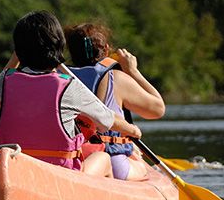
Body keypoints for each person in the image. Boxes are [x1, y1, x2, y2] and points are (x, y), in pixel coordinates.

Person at [0, 11, 142, 177]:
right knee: (103, 158)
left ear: (18, 49)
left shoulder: (6, 80)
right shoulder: (68, 86)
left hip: (15, 168)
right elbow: (108, 119)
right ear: (59, 45)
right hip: (60, 174)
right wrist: (133, 130)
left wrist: (17, 56)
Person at [65, 23, 165, 180]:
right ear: (106, 49)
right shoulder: (116, 78)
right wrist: (133, 71)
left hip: (73, 158)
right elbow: (158, 109)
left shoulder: (60, 77)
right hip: (113, 162)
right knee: (139, 160)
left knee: (132, 149)